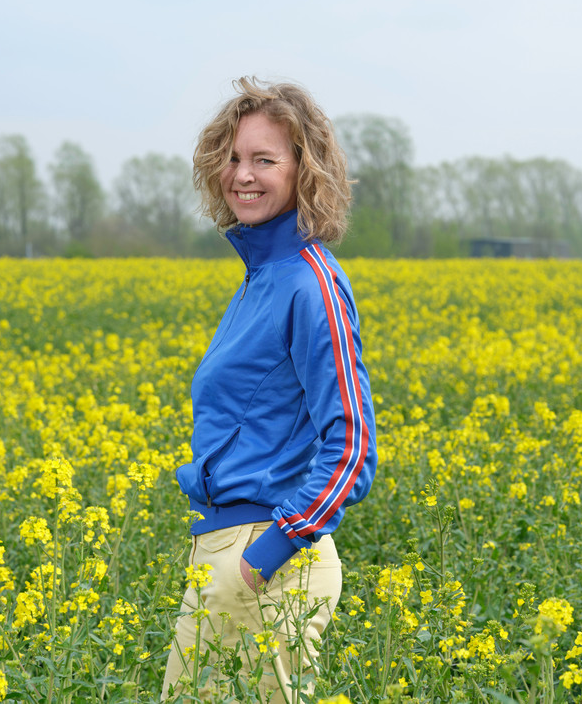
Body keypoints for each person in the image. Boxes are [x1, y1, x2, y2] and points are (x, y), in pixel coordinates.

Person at [164, 77, 378, 702]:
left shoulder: (310, 283)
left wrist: (272, 551)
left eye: (264, 159)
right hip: (229, 552)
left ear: (304, 171)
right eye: (233, 158)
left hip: (269, 561)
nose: (242, 175)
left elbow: (354, 442)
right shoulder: (265, 277)